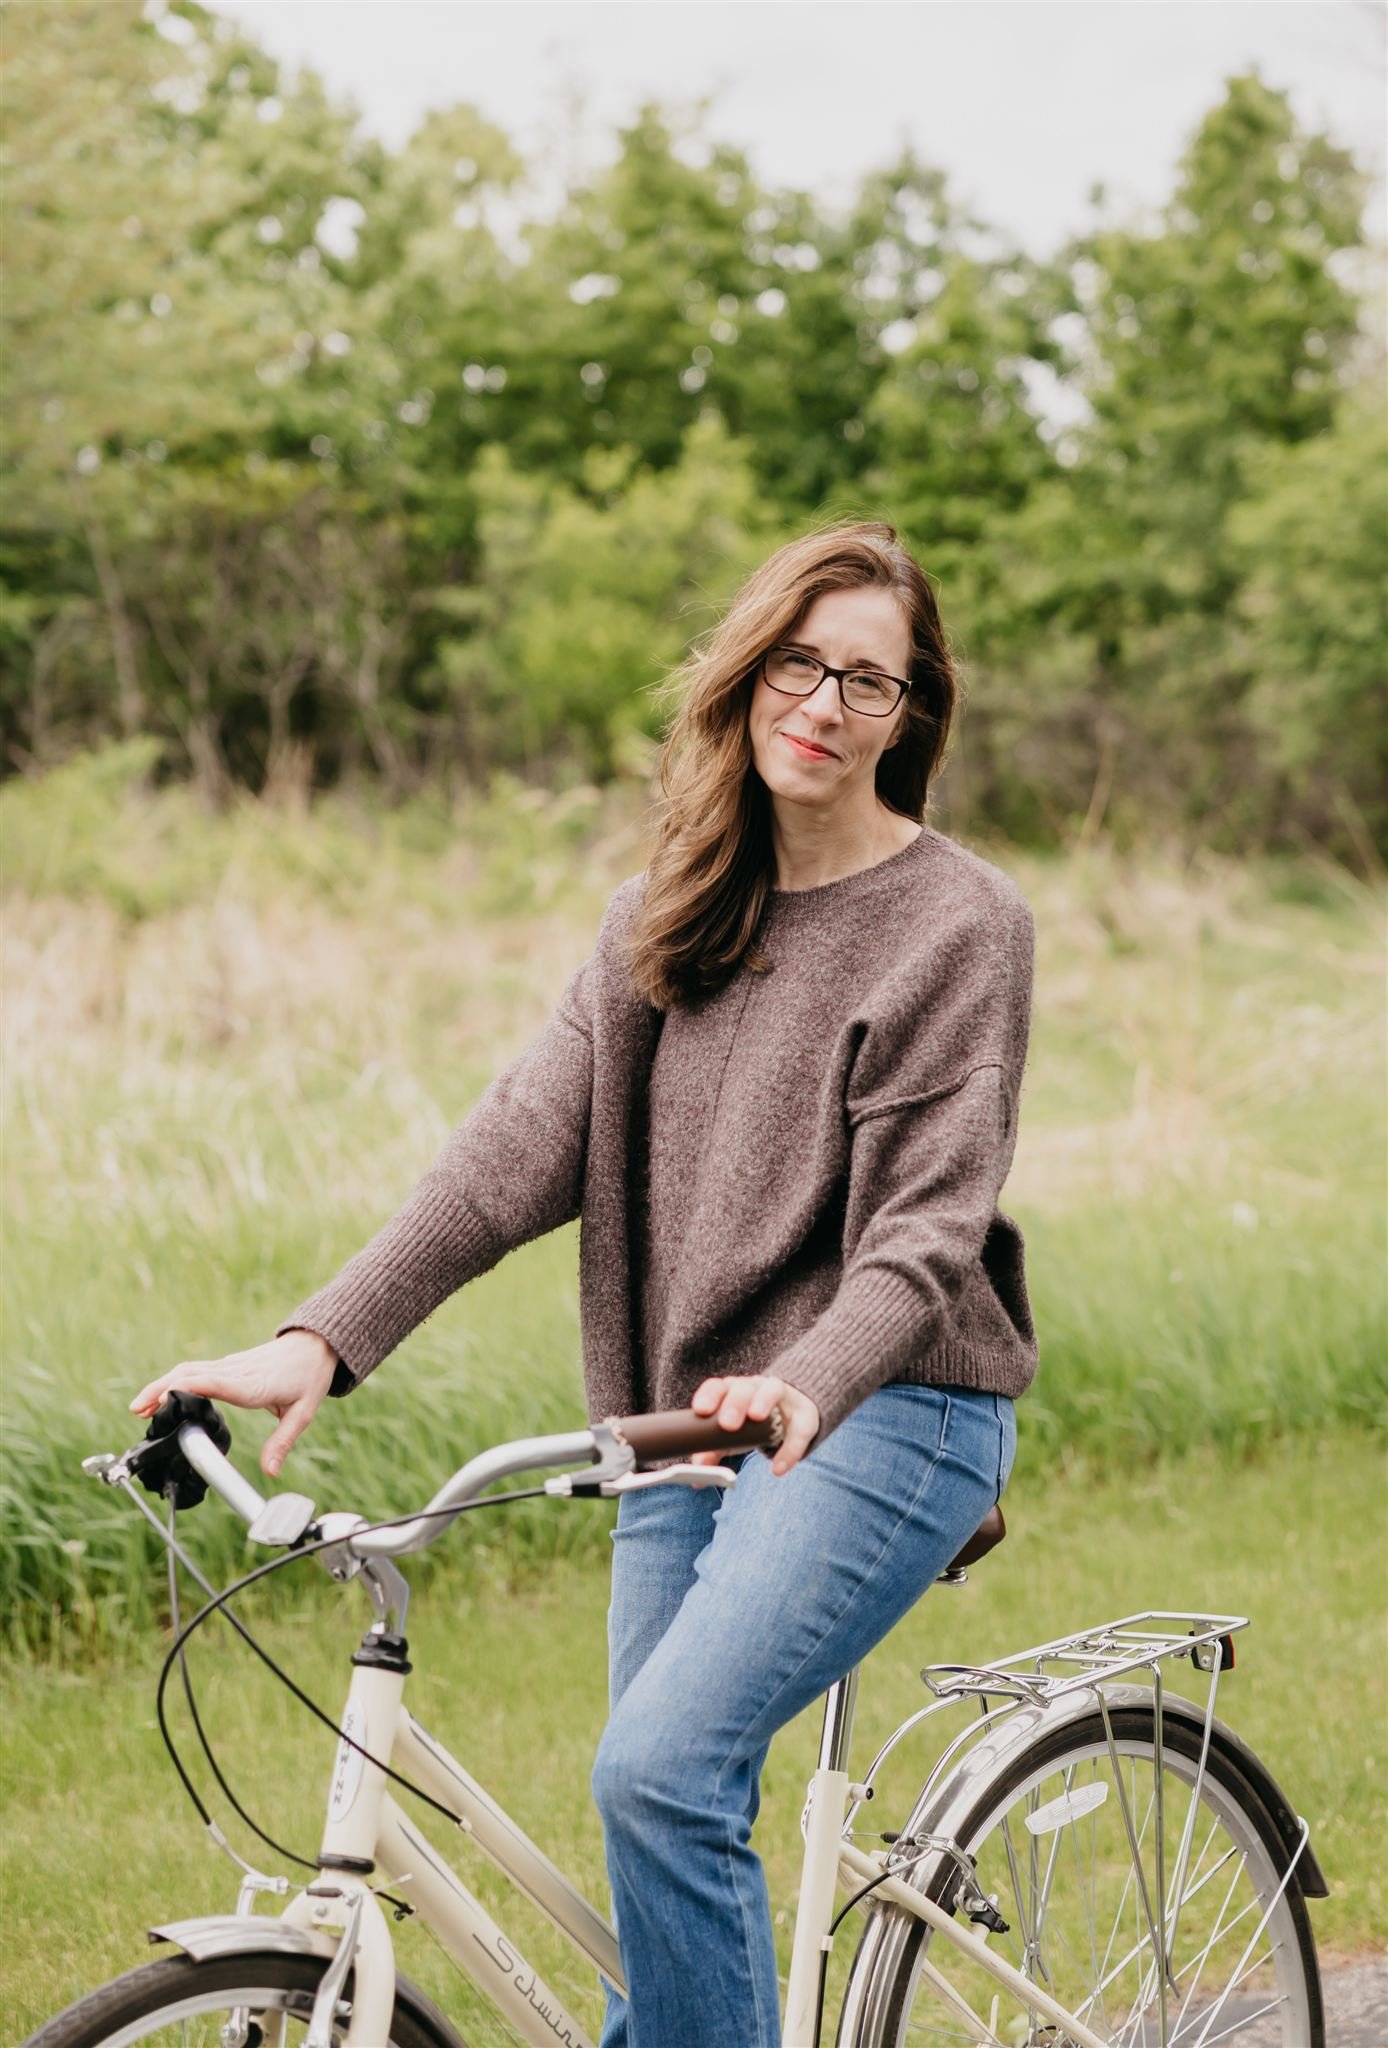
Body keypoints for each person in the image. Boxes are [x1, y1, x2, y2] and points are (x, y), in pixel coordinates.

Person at [130, 519, 1038, 2048]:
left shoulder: (958, 924)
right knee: (659, 1819)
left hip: (890, 1406)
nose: (822, 704)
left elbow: (921, 1240)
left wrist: (806, 1378)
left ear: (911, 715)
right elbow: (506, 1161)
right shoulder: (662, 920)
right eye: (797, 665)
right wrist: (317, 1342)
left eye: (867, 682)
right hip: (684, 1432)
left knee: (657, 1773)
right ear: (747, 679)